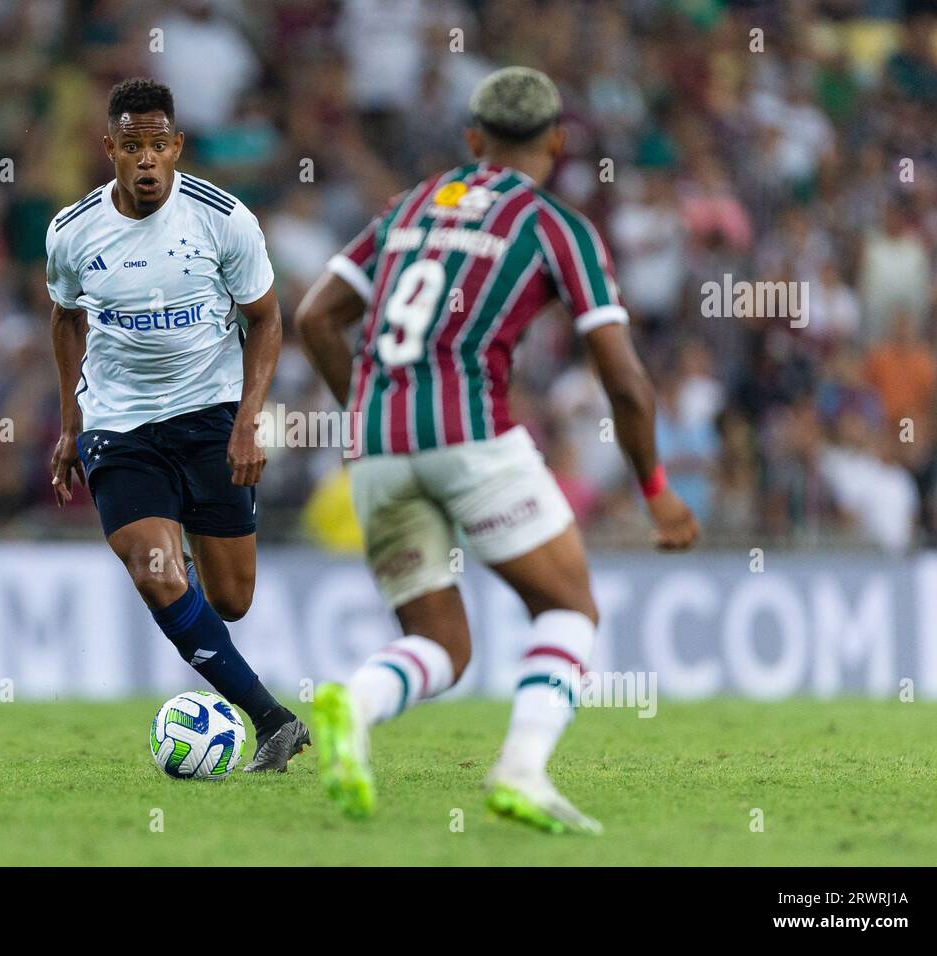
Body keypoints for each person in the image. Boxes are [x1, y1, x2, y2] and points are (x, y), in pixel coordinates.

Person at [295, 66, 698, 831]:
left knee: (440, 644)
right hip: (470, 434)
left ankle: (358, 696)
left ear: (473, 139)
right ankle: (520, 772)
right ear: (558, 141)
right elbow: (624, 378)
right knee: (569, 607)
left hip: (376, 443)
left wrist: (369, 407)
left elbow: (316, 317)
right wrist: (655, 490)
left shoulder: (408, 205)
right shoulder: (555, 226)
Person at [46, 78, 309, 771]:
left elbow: (267, 319)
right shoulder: (72, 233)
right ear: (110, 149)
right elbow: (66, 316)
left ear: (176, 147)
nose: (146, 159)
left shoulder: (224, 220)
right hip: (120, 429)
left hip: (211, 420)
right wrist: (71, 424)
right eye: (132, 146)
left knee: (231, 599)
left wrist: (250, 420)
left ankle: (187, 557)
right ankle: (272, 720)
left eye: (158, 145)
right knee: (155, 569)